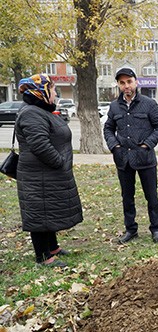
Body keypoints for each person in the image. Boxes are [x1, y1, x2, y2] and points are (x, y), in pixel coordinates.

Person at [15, 74, 83, 267]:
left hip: (46, 175)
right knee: (40, 213)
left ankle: (52, 247)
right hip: (39, 176)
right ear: (41, 92)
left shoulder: (40, 110)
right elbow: (40, 145)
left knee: (48, 212)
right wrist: (59, 162)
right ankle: (43, 257)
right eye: (52, 89)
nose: (55, 93)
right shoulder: (31, 113)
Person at [103, 68, 158, 244]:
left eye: (129, 82)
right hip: (123, 159)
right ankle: (131, 229)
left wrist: (147, 144)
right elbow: (108, 128)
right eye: (122, 83)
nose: (126, 86)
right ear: (118, 84)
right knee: (127, 196)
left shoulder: (149, 104)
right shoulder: (114, 106)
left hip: (145, 159)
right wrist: (114, 146)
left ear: (136, 82)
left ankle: (155, 229)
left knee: (151, 195)